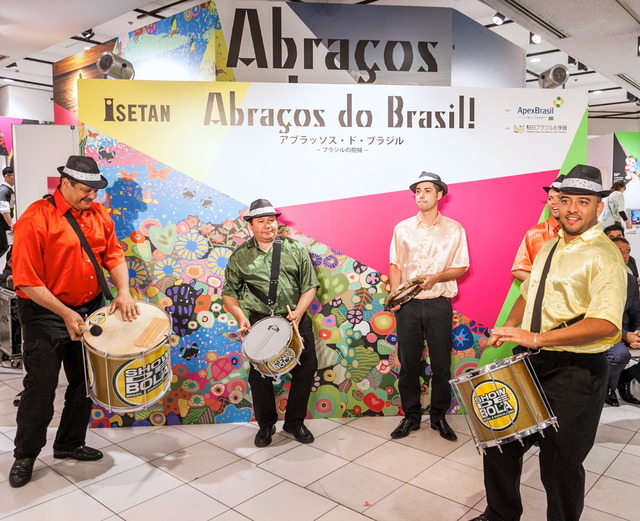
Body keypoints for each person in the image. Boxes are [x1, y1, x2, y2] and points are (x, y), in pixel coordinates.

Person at [470, 164, 627, 521]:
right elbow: (529, 293)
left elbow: (604, 324)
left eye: (583, 201)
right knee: (500, 442)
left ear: (598, 207)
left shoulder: (605, 256)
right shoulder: (550, 246)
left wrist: (537, 337)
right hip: (531, 362)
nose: (572, 208)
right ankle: (500, 514)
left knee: (559, 463)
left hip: (576, 371)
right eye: (566, 199)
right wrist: (506, 329)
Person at [9, 155, 139, 488]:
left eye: (95, 190)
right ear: (64, 183)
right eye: (85, 190)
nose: (92, 197)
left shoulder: (97, 215)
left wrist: (123, 291)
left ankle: (68, 443)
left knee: (85, 384)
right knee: (40, 388)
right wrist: (65, 313)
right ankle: (25, 455)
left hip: (89, 308)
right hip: (45, 312)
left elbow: (113, 254)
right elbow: (26, 281)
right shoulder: (34, 219)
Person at [222, 198, 319, 447]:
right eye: (261, 221)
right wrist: (241, 317)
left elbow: (310, 286)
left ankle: (295, 422)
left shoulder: (295, 249)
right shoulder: (240, 256)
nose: (268, 226)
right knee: (260, 376)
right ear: (251, 226)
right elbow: (229, 295)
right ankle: (266, 426)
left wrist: (298, 312)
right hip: (259, 321)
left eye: (271, 221)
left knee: (305, 369)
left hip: (294, 317)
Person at [388, 172, 469, 441]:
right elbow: (395, 264)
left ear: (439, 195)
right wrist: (397, 299)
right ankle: (410, 417)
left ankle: (438, 417)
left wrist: (437, 277)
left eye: (426, 191)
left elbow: (461, 266)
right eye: (417, 191)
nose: (420, 195)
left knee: (442, 364)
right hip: (408, 306)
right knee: (409, 363)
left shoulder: (455, 229)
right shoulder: (402, 228)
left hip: (439, 305)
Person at [603, 237, 640, 406]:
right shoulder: (598, 277)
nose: (624, 255)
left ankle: (622, 381)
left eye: (627, 251)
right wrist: (625, 335)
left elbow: (635, 311)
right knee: (620, 355)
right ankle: (605, 389)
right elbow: (598, 314)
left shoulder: (631, 280)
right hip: (604, 330)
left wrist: (638, 331)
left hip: (624, 330)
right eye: (619, 250)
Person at [511, 174, 564, 281]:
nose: (554, 202)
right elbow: (518, 270)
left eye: (559, 198)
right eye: (550, 198)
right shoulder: (536, 233)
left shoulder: (581, 232)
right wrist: (543, 288)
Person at [0, 165, 16, 265]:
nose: (14, 179)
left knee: (7, 246)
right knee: (3, 246)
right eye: (13, 176)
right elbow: (4, 209)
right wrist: (11, 224)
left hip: (4, 226)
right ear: (6, 176)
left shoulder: (8, 190)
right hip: (3, 225)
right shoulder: (4, 190)